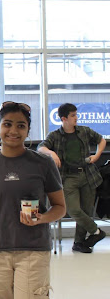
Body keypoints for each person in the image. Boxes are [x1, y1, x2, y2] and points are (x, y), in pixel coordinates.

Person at [0, 101, 66, 298]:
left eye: (21, 125)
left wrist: (42, 218)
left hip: (33, 251)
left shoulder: (43, 163)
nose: (13, 130)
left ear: (28, 130)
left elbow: (60, 207)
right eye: (7, 124)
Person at [38, 102, 107, 253]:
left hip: (88, 175)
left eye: (76, 114)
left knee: (87, 211)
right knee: (74, 209)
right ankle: (96, 232)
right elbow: (41, 147)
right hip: (68, 177)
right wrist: (52, 153)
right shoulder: (55, 135)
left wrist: (96, 155)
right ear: (64, 119)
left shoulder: (84, 131)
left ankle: (79, 242)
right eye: (73, 115)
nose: (76, 118)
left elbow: (101, 140)